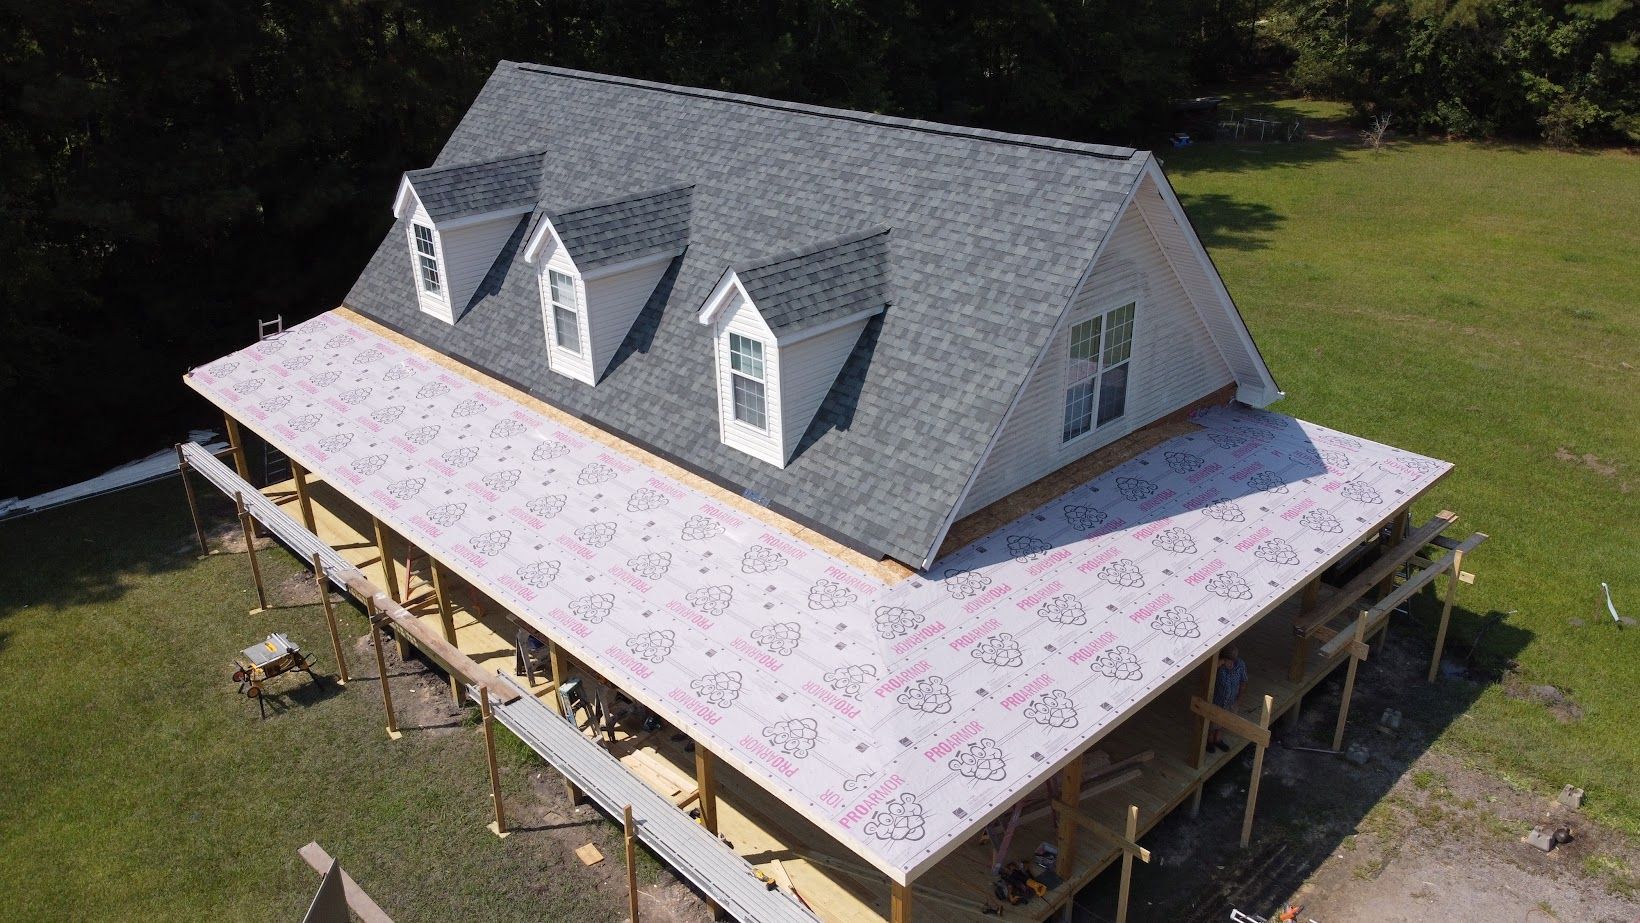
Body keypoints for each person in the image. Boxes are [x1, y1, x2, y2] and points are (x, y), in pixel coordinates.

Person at [1207, 645, 1248, 753]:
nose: (1231, 662)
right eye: (1228, 659)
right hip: (1216, 700)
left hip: (1231, 700)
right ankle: (1209, 741)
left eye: (1233, 659)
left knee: (1224, 721)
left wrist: (1238, 701)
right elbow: (1207, 674)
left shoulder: (1240, 665)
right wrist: (1220, 663)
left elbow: (1243, 683)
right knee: (1212, 722)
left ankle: (1218, 739)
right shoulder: (1219, 665)